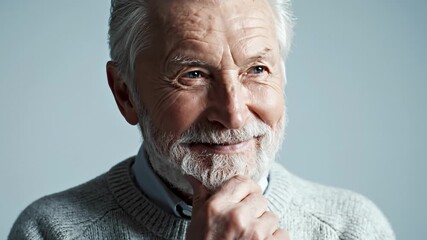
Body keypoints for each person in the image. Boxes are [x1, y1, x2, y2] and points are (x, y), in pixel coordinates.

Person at [9, 0, 395, 239]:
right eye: (192, 74)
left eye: (257, 69)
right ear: (125, 93)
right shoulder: (50, 232)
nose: (233, 113)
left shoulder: (353, 229)